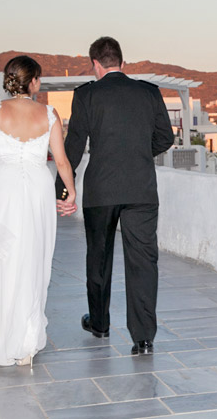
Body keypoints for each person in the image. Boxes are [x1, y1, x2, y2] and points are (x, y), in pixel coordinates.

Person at [55, 36, 174, 355]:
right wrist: (137, 154)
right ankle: (144, 337)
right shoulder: (149, 92)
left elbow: (74, 146)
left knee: (99, 258)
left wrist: (64, 190)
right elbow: (165, 137)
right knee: (143, 262)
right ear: (122, 61)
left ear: (95, 63)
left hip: (101, 189)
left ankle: (99, 323)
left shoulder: (86, 95)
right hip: (141, 189)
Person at [0, 55, 77, 367]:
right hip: (37, 188)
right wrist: (71, 192)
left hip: (1, 189)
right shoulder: (50, 114)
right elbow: (61, 161)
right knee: (33, 258)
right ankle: (25, 344)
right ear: (33, 81)